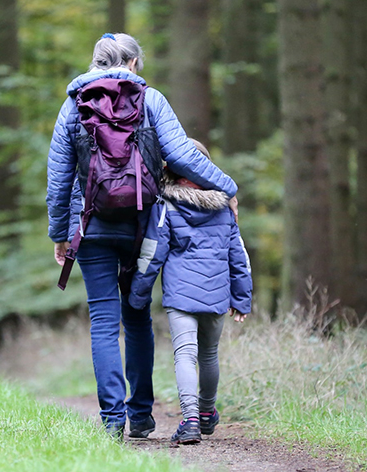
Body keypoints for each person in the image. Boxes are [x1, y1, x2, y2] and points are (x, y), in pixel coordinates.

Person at [46, 33, 239, 439]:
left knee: (102, 320)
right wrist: (228, 188)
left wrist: (60, 234)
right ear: (133, 63)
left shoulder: (72, 106)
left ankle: (113, 421)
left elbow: (59, 179)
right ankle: (142, 415)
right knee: (136, 317)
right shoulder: (151, 100)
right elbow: (184, 155)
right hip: (142, 226)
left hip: (92, 225)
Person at [128, 139, 252, 445]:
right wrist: (242, 298)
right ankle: (208, 413)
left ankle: (191, 419)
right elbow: (239, 256)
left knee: (185, 355)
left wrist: (138, 295)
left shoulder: (166, 205)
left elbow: (152, 253)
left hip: (181, 296)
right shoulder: (224, 207)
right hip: (217, 293)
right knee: (209, 354)